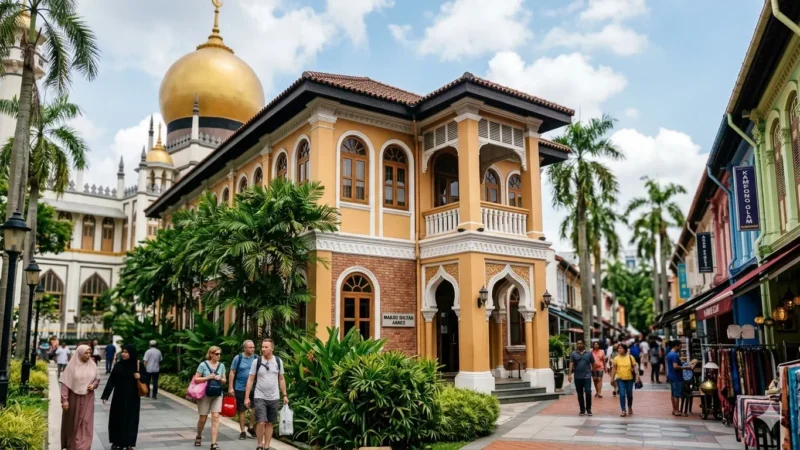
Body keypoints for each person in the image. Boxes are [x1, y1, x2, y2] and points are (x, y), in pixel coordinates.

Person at [245, 338, 288, 450]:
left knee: (269, 423)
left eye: (266, 347)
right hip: (260, 396)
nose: (263, 349)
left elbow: (281, 378)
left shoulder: (278, 361)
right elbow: (250, 379)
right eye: (262, 347)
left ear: (272, 348)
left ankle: (267, 446)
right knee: (260, 422)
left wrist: (284, 395)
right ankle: (259, 444)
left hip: (274, 397)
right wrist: (246, 397)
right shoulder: (257, 361)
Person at [101, 345, 142, 449]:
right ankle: (116, 442)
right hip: (118, 398)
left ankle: (129, 443)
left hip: (133, 399)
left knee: (131, 420)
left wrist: (140, 376)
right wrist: (106, 395)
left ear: (131, 353)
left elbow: (146, 377)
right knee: (117, 420)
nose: (123, 354)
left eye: (126, 352)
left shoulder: (138, 365)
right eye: (123, 352)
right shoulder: (118, 365)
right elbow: (111, 380)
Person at [60, 345, 100, 450]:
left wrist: (94, 385)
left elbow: (97, 379)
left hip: (88, 397)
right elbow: (65, 384)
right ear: (80, 353)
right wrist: (64, 400)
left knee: (86, 422)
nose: (88, 355)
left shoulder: (93, 365)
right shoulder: (71, 367)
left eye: (89, 353)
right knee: (74, 423)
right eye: (86, 353)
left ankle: (84, 446)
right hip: (74, 398)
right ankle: (73, 445)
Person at [194, 346, 227, 449]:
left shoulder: (221, 366)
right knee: (203, 418)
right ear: (211, 354)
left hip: (217, 393)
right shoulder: (203, 365)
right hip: (205, 394)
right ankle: (199, 435)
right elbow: (196, 379)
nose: (219, 356)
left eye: (220, 354)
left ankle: (213, 443)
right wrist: (208, 377)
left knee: (216, 417)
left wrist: (220, 378)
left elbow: (224, 380)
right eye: (217, 354)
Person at [228, 340, 257, 440]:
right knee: (241, 410)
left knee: (255, 407)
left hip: (254, 387)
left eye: (253, 347)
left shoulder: (256, 358)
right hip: (240, 387)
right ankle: (243, 431)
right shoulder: (238, 358)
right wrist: (230, 387)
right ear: (245, 348)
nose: (252, 349)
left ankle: (251, 427)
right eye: (250, 347)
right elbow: (232, 372)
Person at [611, 343, 640, 417]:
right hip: (620, 378)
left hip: (629, 378)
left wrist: (637, 376)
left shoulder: (630, 357)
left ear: (625, 349)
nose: (619, 349)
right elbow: (614, 369)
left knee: (629, 394)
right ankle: (623, 410)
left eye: (621, 348)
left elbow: (635, 367)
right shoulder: (616, 358)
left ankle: (629, 406)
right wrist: (612, 378)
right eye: (618, 348)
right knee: (622, 394)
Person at [567, 339, 594, 416]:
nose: (579, 345)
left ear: (584, 345)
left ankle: (588, 409)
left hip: (587, 376)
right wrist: (569, 374)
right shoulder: (573, 354)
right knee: (580, 394)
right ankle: (582, 409)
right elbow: (571, 364)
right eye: (577, 344)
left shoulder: (589, 353)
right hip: (577, 377)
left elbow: (593, 363)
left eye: (580, 343)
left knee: (588, 392)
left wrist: (594, 373)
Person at [666, 340, 685, 416]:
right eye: (680, 346)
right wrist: (685, 367)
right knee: (676, 394)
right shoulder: (675, 355)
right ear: (676, 346)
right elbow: (675, 366)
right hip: (676, 376)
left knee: (673, 393)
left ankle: (674, 409)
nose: (681, 347)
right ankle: (676, 410)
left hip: (671, 376)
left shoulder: (669, 354)